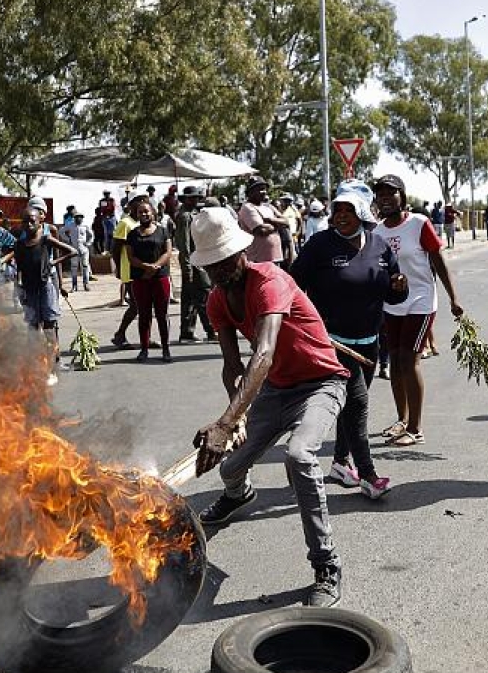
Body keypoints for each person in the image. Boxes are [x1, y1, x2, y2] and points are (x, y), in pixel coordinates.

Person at [190, 207, 349, 608]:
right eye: (210, 266)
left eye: (224, 261)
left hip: (320, 384)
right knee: (228, 466)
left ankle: (326, 565)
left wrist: (227, 422)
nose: (219, 271)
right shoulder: (216, 301)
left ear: (241, 252)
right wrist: (236, 417)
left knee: (299, 456)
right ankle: (239, 493)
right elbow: (233, 366)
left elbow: (263, 354)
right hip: (273, 391)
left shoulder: (270, 281)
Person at [292, 180, 407, 499]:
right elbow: (291, 286)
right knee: (358, 403)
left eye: (348, 210)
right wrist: (305, 325)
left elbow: (393, 298)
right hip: (333, 342)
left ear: (361, 213)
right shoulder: (319, 245)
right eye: (337, 209)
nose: (340, 215)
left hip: (370, 341)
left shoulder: (379, 246)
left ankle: (341, 462)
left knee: (350, 406)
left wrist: (400, 288)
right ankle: (369, 475)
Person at [371, 175, 464, 446]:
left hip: (420, 302)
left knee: (410, 360)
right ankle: (402, 419)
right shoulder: (376, 233)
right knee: (396, 362)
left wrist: (453, 297)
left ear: (403, 196)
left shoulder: (419, 224)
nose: (386, 199)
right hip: (392, 305)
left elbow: (438, 260)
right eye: (381, 195)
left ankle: (416, 428)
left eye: (391, 194)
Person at [3, 208, 76, 386]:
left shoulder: (45, 240)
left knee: (49, 326)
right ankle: (36, 367)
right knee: (33, 329)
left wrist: (53, 262)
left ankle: (52, 368)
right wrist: (18, 289)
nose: (29, 224)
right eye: (25, 221)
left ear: (39, 222)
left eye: (32, 221)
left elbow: (72, 251)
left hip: (45, 287)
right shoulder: (19, 245)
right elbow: (19, 268)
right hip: (29, 288)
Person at [126, 201, 173, 363]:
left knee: (162, 314)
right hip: (140, 279)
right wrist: (145, 267)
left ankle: (166, 349)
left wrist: (156, 266)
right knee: (144, 314)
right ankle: (144, 349)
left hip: (160, 278)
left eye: (146, 211)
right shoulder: (132, 234)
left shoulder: (163, 231)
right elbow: (130, 257)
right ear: (136, 215)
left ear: (152, 213)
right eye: (140, 212)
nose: (144, 214)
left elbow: (168, 252)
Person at [174, 185, 215, 343]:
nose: (194, 200)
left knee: (191, 299)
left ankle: (187, 331)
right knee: (203, 296)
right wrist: (188, 267)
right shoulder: (184, 216)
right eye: (191, 198)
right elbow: (184, 244)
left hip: (199, 260)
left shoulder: (195, 214)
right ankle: (210, 330)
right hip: (193, 262)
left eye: (196, 198)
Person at [110, 190, 150, 348]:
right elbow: (115, 248)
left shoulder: (140, 223)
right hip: (130, 271)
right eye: (140, 200)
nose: (143, 203)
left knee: (145, 305)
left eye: (145, 200)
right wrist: (119, 269)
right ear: (131, 204)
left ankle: (145, 338)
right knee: (136, 305)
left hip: (143, 270)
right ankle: (120, 334)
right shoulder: (125, 223)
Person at [237, 177, 286, 266]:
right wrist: (279, 225)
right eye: (259, 189)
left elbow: (286, 221)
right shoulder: (248, 208)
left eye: (264, 189)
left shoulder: (268, 206)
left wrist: (271, 220)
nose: (263, 192)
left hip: (275, 258)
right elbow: (261, 230)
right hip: (259, 261)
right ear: (250, 192)